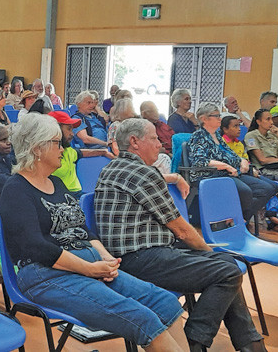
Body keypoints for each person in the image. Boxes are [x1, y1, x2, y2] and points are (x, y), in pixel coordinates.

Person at [2, 113, 184, 351]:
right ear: (37, 148)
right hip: (46, 276)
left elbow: (83, 229)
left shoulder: (57, 183)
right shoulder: (15, 190)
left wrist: (105, 258)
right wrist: (89, 268)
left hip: (87, 265)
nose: (64, 148)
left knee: (165, 302)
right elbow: (36, 246)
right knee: (141, 317)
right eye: (57, 143)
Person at [94, 118, 264, 352]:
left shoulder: (112, 167)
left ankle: (249, 344)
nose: (160, 144)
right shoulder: (143, 173)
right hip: (141, 259)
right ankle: (196, 342)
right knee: (227, 271)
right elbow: (182, 230)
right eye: (153, 138)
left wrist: (173, 177)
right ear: (134, 142)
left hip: (133, 256)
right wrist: (207, 252)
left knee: (225, 263)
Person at [186, 103, 278, 223]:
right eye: (216, 116)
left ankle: (240, 218)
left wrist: (243, 160)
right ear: (203, 119)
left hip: (232, 172)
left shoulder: (218, 136)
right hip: (210, 174)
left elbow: (231, 154)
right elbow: (200, 161)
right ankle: (236, 219)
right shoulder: (198, 136)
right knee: (245, 191)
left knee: (269, 188)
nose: (220, 118)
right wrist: (226, 166)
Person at [50, 111, 111, 198]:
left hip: (77, 197)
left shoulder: (69, 150)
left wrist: (103, 152)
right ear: (56, 129)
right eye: (68, 129)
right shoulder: (44, 156)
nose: (72, 133)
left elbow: (82, 153)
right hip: (60, 198)